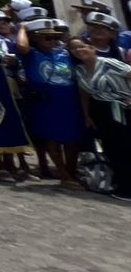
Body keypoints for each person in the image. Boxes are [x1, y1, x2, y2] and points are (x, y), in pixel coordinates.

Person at [16, 14, 83, 188]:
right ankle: (64, 174)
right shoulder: (32, 54)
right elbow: (21, 47)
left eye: (55, 37)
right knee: (51, 138)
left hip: (68, 99)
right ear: (36, 38)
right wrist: (23, 28)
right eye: (47, 37)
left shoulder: (64, 53)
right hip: (45, 99)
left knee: (72, 138)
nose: (52, 41)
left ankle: (71, 171)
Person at [69, 35, 131, 200]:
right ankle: (122, 184)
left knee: (125, 147)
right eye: (74, 49)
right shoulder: (80, 70)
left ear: (92, 48)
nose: (78, 50)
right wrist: (87, 114)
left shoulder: (108, 63)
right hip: (100, 110)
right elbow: (84, 94)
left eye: (82, 46)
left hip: (121, 108)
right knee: (111, 148)